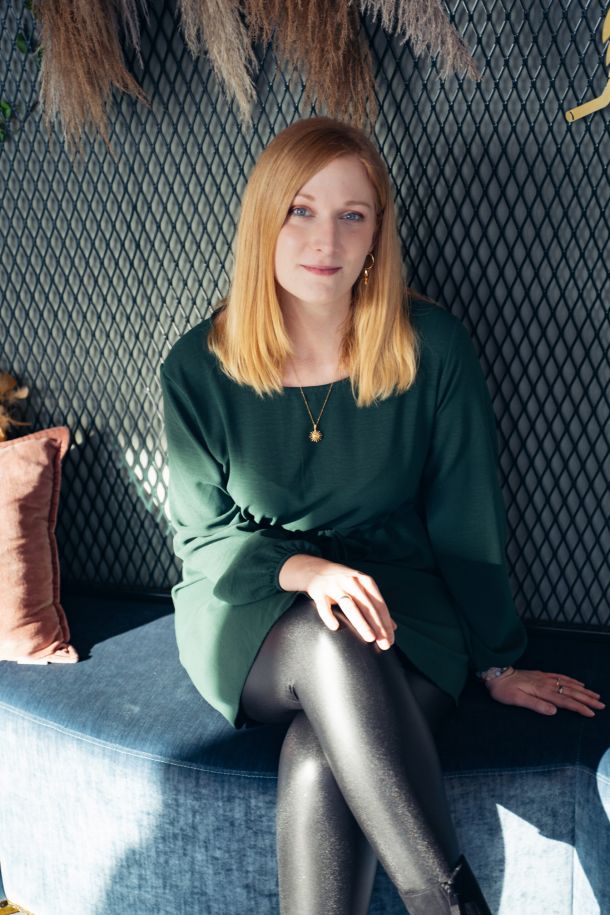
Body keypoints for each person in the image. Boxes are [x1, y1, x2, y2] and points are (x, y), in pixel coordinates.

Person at [159, 117, 604, 915]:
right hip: (253, 607)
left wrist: (497, 662)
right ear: (263, 220)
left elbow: (467, 519)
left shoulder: (432, 346)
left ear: (376, 235)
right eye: (300, 210)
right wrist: (307, 570)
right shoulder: (198, 365)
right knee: (329, 630)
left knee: (318, 759)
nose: (325, 239)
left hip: (404, 606)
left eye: (352, 214)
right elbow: (201, 535)